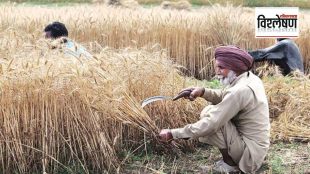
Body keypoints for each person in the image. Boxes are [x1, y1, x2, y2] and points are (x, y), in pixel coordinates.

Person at [159, 46, 270, 173]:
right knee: (214, 114)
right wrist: (202, 92)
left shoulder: (239, 91)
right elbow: (226, 96)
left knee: (210, 114)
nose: (216, 71)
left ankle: (231, 164)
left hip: (250, 157)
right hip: (257, 149)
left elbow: (211, 124)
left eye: (221, 67)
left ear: (235, 68)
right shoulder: (250, 78)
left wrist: (173, 134)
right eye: (216, 66)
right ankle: (233, 159)